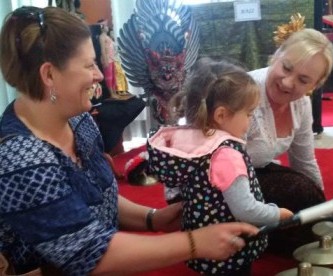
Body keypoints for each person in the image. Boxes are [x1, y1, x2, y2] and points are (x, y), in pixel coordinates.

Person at [0, 6, 259, 275]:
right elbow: (88, 255)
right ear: (49, 75)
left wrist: (152, 218)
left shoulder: (80, 122)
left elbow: (101, 199)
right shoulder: (22, 161)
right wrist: (193, 243)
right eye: (90, 65)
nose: (100, 74)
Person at [146, 57, 294, 275]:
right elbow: (246, 209)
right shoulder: (226, 154)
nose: (251, 121)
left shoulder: (191, 140)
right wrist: (277, 214)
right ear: (222, 115)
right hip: (228, 246)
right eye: (249, 113)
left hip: (201, 240)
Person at [246, 28, 333, 255]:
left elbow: (304, 162)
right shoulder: (244, 92)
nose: (287, 82)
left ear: (314, 85)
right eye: (286, 67)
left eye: (303, 80)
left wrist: (322, 205)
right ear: (276, 55)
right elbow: (214, 164)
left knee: (307, 194)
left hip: (251, 173)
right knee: (298, 193)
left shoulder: (302, 105)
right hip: (212, 184)